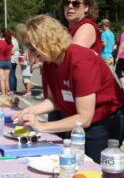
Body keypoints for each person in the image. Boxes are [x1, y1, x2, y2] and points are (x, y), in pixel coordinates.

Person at [13, 15, 124, 164]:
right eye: (27, 47)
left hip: (103, 121)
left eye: (32, 47)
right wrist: (32, 111)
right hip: (80, 119)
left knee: (94, 170)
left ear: (47, 42)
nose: (29, 52)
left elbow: (84, 118)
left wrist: (42, 126)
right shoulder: (49, 62)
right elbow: (55, 101)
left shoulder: (81, 61)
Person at [47, 0, 102, 128]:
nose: (70, 7)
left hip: (85, 101)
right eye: (67, 3)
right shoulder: (68, 29)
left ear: (86, 8)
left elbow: (69, 58)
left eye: (76, 3)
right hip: (66, 98)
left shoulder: (87, 27)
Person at [0, 28, 13, 95]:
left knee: (1, 79)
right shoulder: (10, 42)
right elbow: (11, 52)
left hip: (0, 61)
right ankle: (6, 94)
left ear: (2, 34)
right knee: (6, 79)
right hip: (8, 61)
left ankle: (3, 94)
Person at [9, 29, 20, 94]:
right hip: (15, 59)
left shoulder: (12, 41)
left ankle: (12, 89)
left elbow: (12, 51)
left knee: (11, 74)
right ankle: (14, 89)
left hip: (12, 59)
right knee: (13, 74)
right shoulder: (15, 40)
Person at [115, 21, 124, 88]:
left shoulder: (123, 35)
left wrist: (117, 57)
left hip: (122, 57)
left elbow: (121, 46)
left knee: (118, 71)